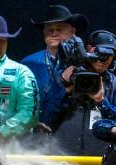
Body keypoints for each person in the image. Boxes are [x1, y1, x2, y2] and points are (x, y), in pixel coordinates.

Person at [50, 30, 116, 155]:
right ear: (88, 49)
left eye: (108, 55)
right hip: (61, 158)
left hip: (98, 161)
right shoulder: (65, 76)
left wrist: (102, 102)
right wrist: (65, 89)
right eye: (99, 52)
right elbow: (46, 116)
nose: (102, 59)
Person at [21, 4, 88, 132]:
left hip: (76, 131)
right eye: (49, 29)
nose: (54, 33)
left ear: (72, 31)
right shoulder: (28, 64)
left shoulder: (85, 65)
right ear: (43, 32)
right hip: (40, 132)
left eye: (59, 29)